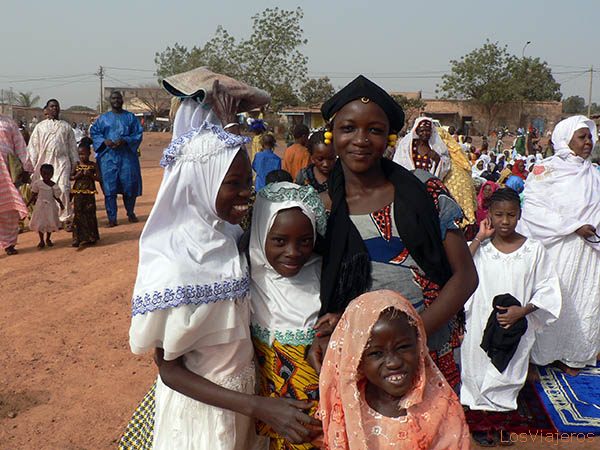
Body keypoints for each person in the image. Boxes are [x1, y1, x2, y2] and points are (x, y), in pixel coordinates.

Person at [121, 70, 315, 450]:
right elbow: (171, 371)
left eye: (248, 182)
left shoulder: (228, 237)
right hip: (205, 415)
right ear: (199, 184)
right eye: (233, 184)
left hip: (245, 403)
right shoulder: (174, 264)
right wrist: (259, 406)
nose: (246, 194)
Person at [309, 75, 478, 390]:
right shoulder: (323, 209)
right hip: (362, 352)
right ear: (331, 135)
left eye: (374, 130)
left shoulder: (425, 190)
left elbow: (466, 277)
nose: (360, 139)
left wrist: (411, 337)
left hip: (430, 344)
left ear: (388, 138)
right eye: (348, 128)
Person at [461, 188, 561, 446]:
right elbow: (459, 268)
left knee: (508, 372)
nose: (505, 221)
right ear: (489, 216)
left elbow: (547, 287)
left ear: (520, 215)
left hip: (515, 323)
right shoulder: (482, 249)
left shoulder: (534, 250)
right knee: (478, 370)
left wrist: (523, 311)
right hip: (480, 322)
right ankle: (480, 424)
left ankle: (501, 421)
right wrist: (479, 238)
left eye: (511, 215)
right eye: (499, 215)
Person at [319, 290, 470, 450]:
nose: (394, 362)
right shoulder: (345, 406)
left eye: (403, 347)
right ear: (357, 359)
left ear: (419, 345)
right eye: (376, 353)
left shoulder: (440, 408)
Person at [518, 115, 600, 374]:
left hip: (588, 252)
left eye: (589, 137)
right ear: (566, 140)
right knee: (552, 299)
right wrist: (574, 226)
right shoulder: (548, 170)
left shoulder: (593, 173)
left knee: (582, 302)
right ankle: (540, 355)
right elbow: (533, 207)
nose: (588, 142)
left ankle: (572, 355)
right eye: (582, 137)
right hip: (557, 248)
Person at [249, 182, 327, 449]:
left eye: (305, 241)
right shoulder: (247, 280)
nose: (293, 253)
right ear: (260, 234)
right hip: (273, 419)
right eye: (279, 241)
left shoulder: (324, 278)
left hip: (320, 422)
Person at [90, 91, 143, 227]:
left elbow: (138, 133)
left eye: (118, 98)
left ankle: (130, 212)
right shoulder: (103, 119)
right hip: (108, 157)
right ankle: (112, 218)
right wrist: (104, 141)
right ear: (110, 100)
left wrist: (125, 140)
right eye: (113, 98)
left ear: (122, 100)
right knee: (109, 188)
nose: (116, 100)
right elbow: (94, 132)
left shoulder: (130, 117)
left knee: (129, 185)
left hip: (127, 156)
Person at [28, 99, 78, 228]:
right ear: (47, 109)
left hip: (62, 162)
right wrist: (32, 166)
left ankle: (65, 219)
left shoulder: (66, 127)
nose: (54, 108)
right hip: (45, 164)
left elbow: (72, 146)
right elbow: (33, 147)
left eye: (56, 106)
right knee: (48, 192)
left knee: (63, 188)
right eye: (52, 106)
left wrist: (75, 163)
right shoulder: (40, 127)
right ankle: (52, 219)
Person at [0, 114, 32, 255]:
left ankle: (9, 243)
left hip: (7, 171)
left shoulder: (9, 123)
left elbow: (20, 146)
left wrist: (26, 168)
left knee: (10, 208)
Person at [71, 137, 100, 247]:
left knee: (90, 214)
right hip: (78, 193)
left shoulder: (93, 165)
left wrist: (91, 175)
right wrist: (77, 176)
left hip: (89, 193)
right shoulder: (76, 165)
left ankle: (91, 236)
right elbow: (71, 177)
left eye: (84, 154)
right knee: (78, 214)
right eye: (80, 154)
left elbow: (99, 178)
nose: (82, 156)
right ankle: (77, 238)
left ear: (89, 153)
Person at [29, 163, 64, 249]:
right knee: (41, 223)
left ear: (52, 174)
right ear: (41, 173)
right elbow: (34, 194)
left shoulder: (54, 185)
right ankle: (41, 240)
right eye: (44, 174)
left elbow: (55, 196)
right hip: (40, 206)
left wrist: (61, 203)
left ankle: (48, 238)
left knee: (49, 222)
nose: (46, 176)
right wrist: (28, 203)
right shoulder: (38, 184)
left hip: (50, 206)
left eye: (49, 174)